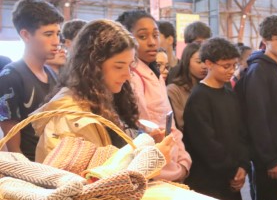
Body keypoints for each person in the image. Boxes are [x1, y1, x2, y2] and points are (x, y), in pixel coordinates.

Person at [32, 19, 173, 162]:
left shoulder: (105, 98)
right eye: (118, 66)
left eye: (130, 66)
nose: (128, 75)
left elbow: (112, 158)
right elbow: (83, 175)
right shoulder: (69, 117)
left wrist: (145, 145)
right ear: (93, 66)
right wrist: (151, 160)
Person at [116, 10, 191, 182]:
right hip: (154, 172)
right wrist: (175, 168)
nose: (151, 42)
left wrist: (183, 159)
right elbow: (143, 132)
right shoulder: (131, 77)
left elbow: (169, 123)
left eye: (155, 35)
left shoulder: (155, 74)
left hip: (172, 164)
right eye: (142, 37)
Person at [235, 15, 277, 200]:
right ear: (265, 40)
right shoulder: (259, 70)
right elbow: (257, 119)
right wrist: (270, 160)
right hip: (270, 158)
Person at [183, 38, 250, 200]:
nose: (231, 71)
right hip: (209, 180)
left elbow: (242, 132)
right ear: (209, 63)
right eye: (226, 66)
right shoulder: (199, 97)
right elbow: (206, 143)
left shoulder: (229, 92)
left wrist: (243, 166)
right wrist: (232, 171)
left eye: (234, 65)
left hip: (232, 174)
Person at [0, 0, 63, 161]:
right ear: (26, 35)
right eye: (48, 34)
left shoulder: (52, 74)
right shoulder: (10, 77)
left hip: (54, 160)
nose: (56, 41)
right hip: (30, 166)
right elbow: (13, 148)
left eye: (57, 34)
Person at [166, 42, 207, 131]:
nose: (204, 66)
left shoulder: (207, 88)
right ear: (187, 62)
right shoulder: (174, 90)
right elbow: (182, 123)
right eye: (199, 62)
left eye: (206, 62)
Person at [166, 21, 211, 85]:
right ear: (188, 44)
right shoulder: (176, 73)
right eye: (198, 43)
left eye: (206, 43)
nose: (202, 47)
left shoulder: (214, 69)